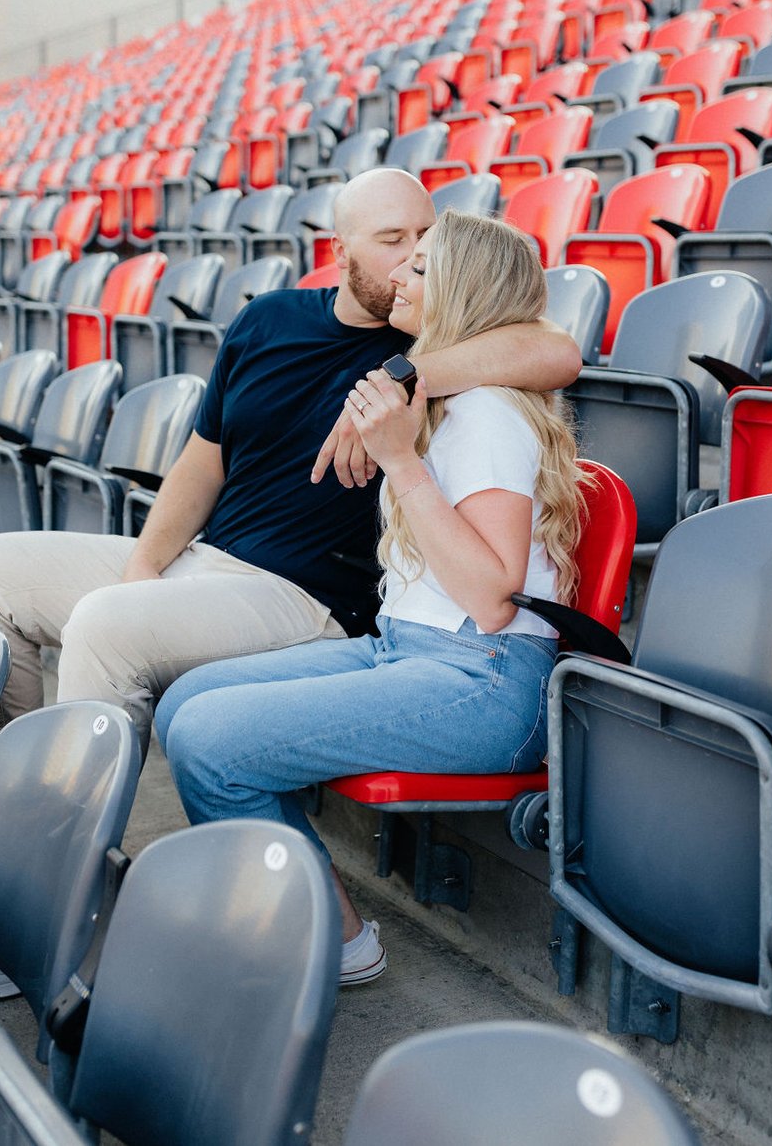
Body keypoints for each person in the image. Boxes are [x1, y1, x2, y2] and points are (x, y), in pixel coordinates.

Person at [0, 170, 581, 755]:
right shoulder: (267, 318)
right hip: (210, 561)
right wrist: (145, 566)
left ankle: (61, 835)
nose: (413, 259)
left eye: (425, 239)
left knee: (105, 624)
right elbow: (203, 464)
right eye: (393, 240)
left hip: (309, 598)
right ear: (341, 253)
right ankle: (7, 778)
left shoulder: (432, 336)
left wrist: (404, 373)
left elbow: (558, 354)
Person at [155, 210, 585, 985]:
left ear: (456, 288)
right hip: (411, 649)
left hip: (484, 677)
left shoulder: (487, 414)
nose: (398, 277)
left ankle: (323, 938)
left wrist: (400, 462)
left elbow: (492, 599)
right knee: (184, 702)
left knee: (215, 740)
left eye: (419, 268)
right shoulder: (440, 391)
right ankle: (294, 915)